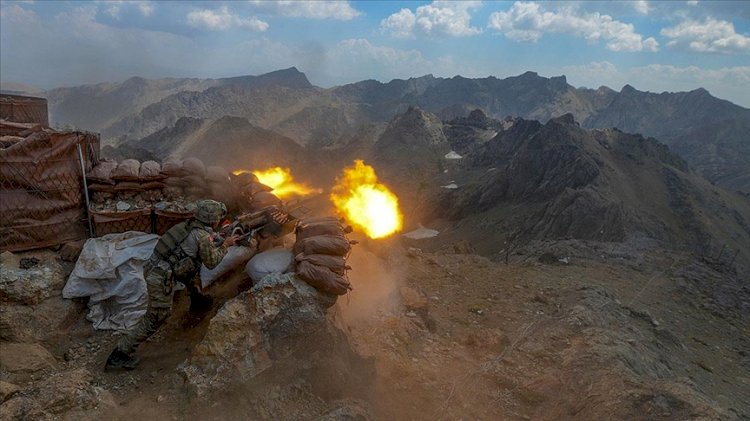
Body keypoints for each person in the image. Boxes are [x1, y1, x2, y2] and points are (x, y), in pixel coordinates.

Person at [105, 199, 239, 371]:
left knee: (191, 273)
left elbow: (201, 242)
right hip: (159, 278)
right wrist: (226, 245)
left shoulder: (188, 226)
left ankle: (197, 301)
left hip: (157, 268)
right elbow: (212, 262)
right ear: (212, 219)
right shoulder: (202, 236)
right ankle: (119, 354)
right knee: (156, 317)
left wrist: (220, 238)